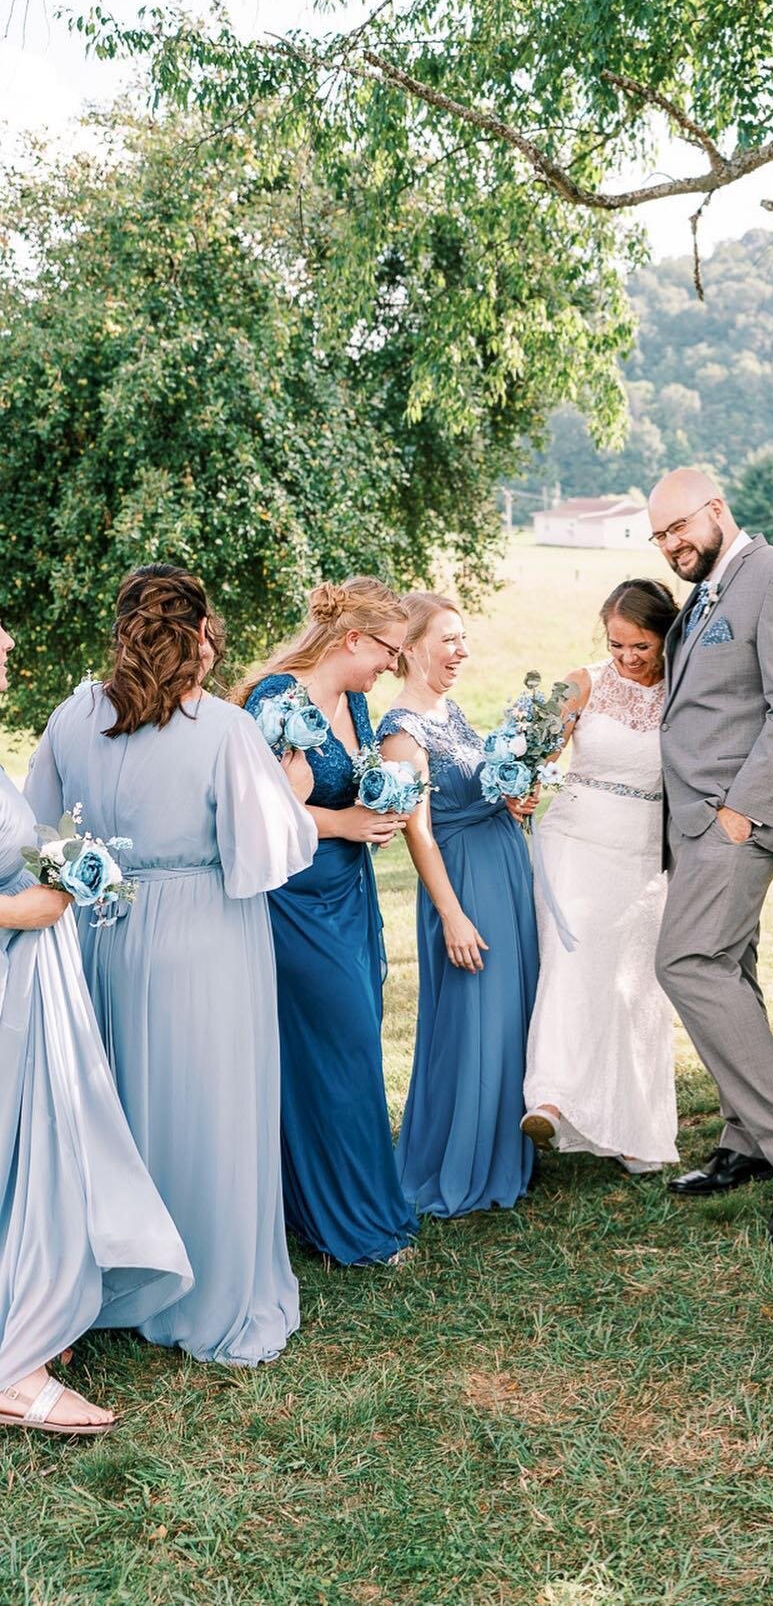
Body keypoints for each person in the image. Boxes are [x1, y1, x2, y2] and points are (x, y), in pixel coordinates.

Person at [25, 566, 314, 1365]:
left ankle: (115, 1280)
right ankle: (207, 1291)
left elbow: (35, 828)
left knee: (112, 1101)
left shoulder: (73, 715)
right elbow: (266, 854)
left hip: (98, 928)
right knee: (208, 1107)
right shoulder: (223, 728)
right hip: (205, 934)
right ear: (200, 634)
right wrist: (292, 789)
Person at [0, 616, 192, 1435]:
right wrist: (23, 906)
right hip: (14, 959)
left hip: (32, 972)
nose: (11, 644)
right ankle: (15, 1370)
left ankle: (25, 1312)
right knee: (26, 1141)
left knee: (35, 1144)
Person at [648, 467, 773, 1246]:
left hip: (737, 819)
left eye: (678, 527)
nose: (670, 545)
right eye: (658, 536)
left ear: (717, 509)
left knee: (687, 961)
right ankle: (744, 1136)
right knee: (729, 969)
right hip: (693, 822)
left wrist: (738, 813)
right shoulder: (703, 597)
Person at [237, 578, 418, 1268]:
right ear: (351, 639)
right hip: (294, 898)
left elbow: (355, 780)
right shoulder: (274, 699)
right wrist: (343, 821)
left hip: (350, 890)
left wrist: (382, 806)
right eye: (388, 652)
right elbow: (257, 809)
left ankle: (328, 1207)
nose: (390, 667)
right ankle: (356, 1226)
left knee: (349, 1046)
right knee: (341, 1049)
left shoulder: (357, 700)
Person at [377, 592, 539, 1217]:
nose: (461, 651)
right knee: (475, 1022)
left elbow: (474, 785)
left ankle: (507, 1147)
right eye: (449, 639)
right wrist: (452, 914)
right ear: (410, 648)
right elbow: (418, 829)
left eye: (464, 638)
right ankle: (464, 1161)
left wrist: (510, 799)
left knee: (508, 1016)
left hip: (503, 870)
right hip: (465, 885)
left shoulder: (449, 711)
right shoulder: (402, 731)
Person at [522, 578, 679, 1174]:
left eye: (640, 646)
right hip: (573, 842)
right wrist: (525, 785)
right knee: (572, 964)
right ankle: (552, 1098)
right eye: (616, 645)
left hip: (640, 850)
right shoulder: (583, 682)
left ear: (665, 636)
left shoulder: (686, 691)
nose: (628, 658)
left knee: (635, 985)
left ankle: (637, 1128)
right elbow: (536, 756)